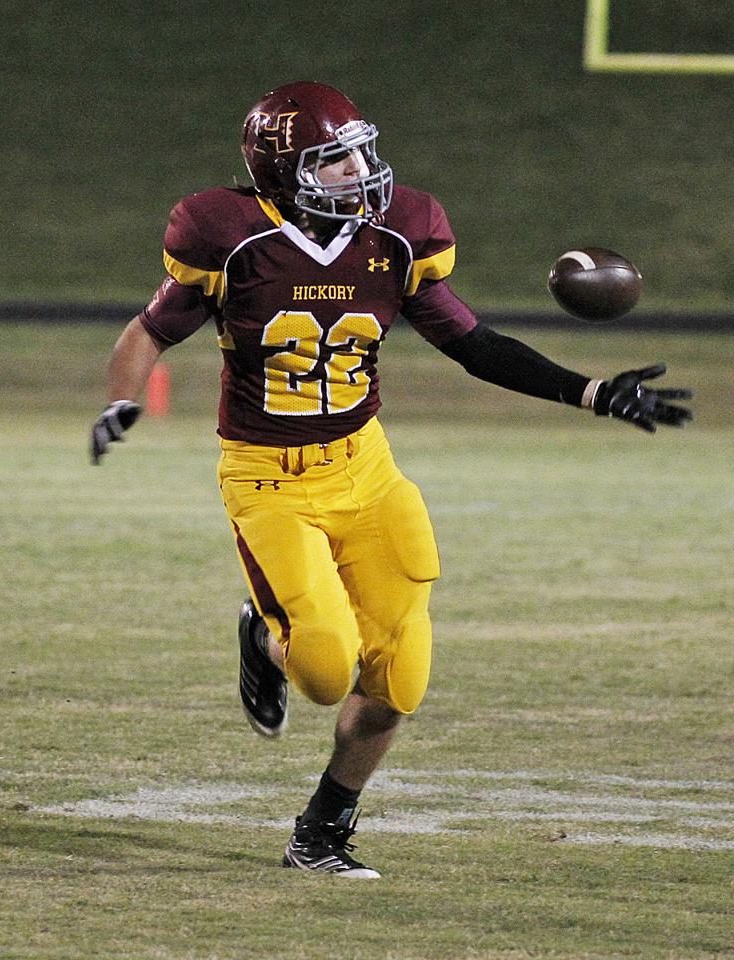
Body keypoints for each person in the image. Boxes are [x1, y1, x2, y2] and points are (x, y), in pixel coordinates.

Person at [90, 80, 692, 877]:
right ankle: (265, 637)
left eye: (360, 153)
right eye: (335, 160)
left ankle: (321, 833)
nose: (361, 171)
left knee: (399, 679)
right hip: (269, 478)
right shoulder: (230, 239)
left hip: (365, 469)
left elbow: (474, 344)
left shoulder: (397, 237)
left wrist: (591, 392)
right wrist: (122, 400)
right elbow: (149, 331)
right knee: (323, 670)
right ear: (285, 172)